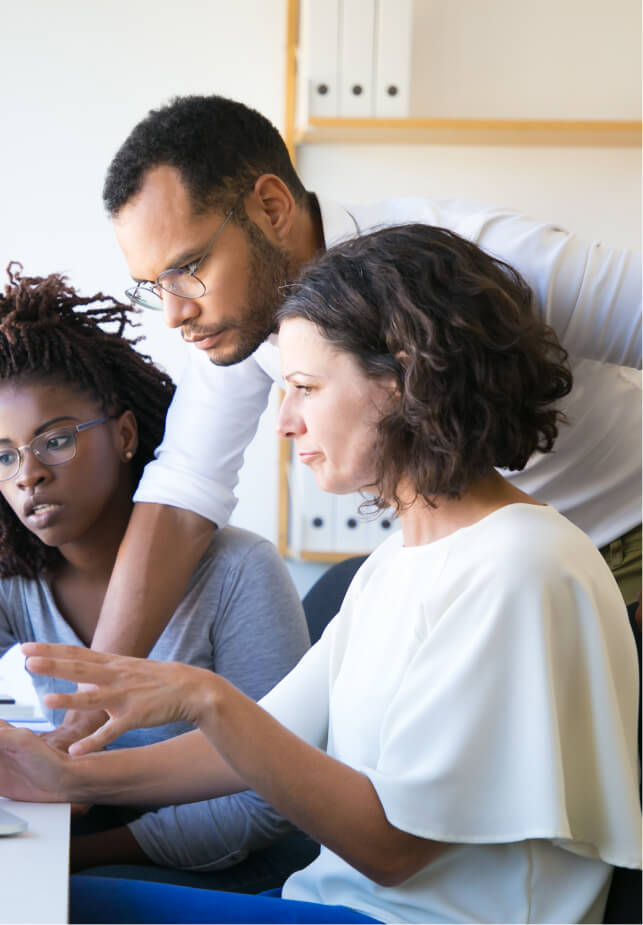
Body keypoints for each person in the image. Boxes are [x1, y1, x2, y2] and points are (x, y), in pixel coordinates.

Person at [0, 226, 641, 924]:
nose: (285, 420)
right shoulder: (398, 561)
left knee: (33, 909)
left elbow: (391, 851)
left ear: (402, 379)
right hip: (328, 904)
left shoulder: (519, 565)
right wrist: (65, 775)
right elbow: (266, 739)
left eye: (305, 388)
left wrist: (205, 697)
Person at [49, 93, 642, 754]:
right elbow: (182, 492)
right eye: (152, 285)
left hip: (618, 546)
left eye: (186, 270)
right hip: (472, 572)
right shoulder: (238, 318)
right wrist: (83, 718)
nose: (173, 313)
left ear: (271, 208)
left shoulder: (480, 262)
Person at [0, 262, 313, 888]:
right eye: (4, 456)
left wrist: (70, 856)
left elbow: (267, 800)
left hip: (235, 872)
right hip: (91, 845)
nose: (28, 475)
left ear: (125, 434)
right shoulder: (6, 574)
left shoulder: (239, 572)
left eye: (55, 441)